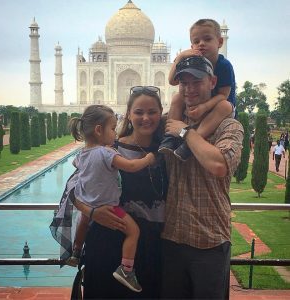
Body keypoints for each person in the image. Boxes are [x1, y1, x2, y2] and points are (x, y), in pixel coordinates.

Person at [50, 104, 157, 293]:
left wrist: (88, 210)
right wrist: (148, 159)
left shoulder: (82, 155)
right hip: (108, 215)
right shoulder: (108, 151)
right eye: (112, 128)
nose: (114, 133)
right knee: (134, 231)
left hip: (95, 211)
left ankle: (75, 252)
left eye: (151, 111)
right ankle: (126, 270)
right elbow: (131, 166)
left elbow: (81, 180)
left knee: (83, 222)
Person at [161, 56, 243, 299]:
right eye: (184, 83)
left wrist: (185, 133)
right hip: (172, 238)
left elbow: (219, 164)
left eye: (196, 81)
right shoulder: (170, 122)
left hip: (210, 241)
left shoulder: (228, 127)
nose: (189, 89)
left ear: (212, 81)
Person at [73, 87, 167, 298]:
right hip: (107, 239)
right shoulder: (108, 149)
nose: (145, 118)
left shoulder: (165, 151)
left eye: (152, 112)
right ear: (129, 114)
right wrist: (92, 212)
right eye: (139, 112)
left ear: (160, 113)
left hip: (152, 244)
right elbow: (73, 192)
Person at [159, 19, 236, 161]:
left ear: (220, 42)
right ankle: (169, 139)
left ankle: (189, 144)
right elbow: (172, 81)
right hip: (198, 102)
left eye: (207, 39)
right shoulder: (192, 61)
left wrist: (204, 107)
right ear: (191, 45)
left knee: (224, 106)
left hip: (219, 106)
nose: (201, 44)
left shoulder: (224, 65)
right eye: (196, 41)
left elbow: (223, 95)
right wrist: (180, 57)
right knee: (176, 97)